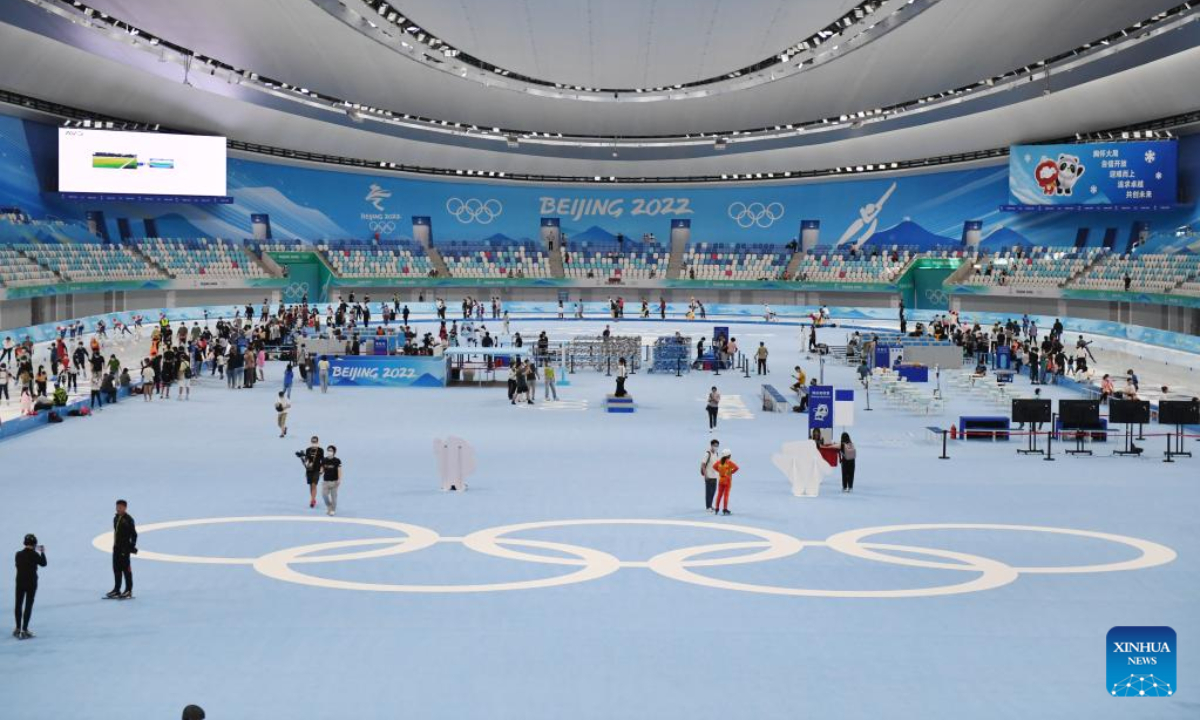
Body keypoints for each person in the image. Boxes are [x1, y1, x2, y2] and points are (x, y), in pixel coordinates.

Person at [14, 533, 46, 639]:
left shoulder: (18, 554)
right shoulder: (34, 554)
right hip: (31, 583)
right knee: (28, 605)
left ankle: (18, 628)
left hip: (19, 582)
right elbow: (43, 563)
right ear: (34, 543)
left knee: (18, 604)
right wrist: (42, 552)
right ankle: (24, 630)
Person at [105, 500, 137, 600]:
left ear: (125, 508)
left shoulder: (129, 520)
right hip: (116, 548)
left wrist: (131, 547)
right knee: (116, 569)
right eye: (117, 507)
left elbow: (134, 535)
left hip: (125, 549)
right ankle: (117, 589)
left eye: (120, 507)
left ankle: (128, 590)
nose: (118, 509)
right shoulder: (115, 518)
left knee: (126, 570)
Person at [713, 449, 738, 516]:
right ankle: (725, 509)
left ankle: (717, 508)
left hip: (721, 480)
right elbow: (737, 468)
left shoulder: (719, 462)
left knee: (719, 495)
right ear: (729, 456)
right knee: (726, 495)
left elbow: (714, 466)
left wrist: (720, 472)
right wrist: (730, 472)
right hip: (727, 480)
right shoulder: (729, 462)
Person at [302, 437, 325, 508]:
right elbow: (306, 461)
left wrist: (322, 468)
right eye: (313, 441)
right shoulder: (308, 450)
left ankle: (312, 500)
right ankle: (313, 498)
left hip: (317, 470)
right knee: (310, 486)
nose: (314, 443)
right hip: (309, 470)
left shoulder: (320, 450)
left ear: (317, 442)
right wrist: (302, 457)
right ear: (311, 441)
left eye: (315, 441)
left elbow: (323, 460)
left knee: (314, 484)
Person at [321, 445, 343, 516]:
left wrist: (339, 479)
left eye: (331, 450)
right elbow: (322, 469)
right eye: (328, 450)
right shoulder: (324, 460)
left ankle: (332, 510)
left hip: (334, 482)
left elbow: (339, 471)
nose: (329, 452)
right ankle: (329, 506)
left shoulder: (337, 461)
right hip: (326, 482)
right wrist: (320, 472)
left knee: (334, 497)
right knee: (324, 495)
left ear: (334, 452)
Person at [700, 438, 721, 513]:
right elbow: (703, 464)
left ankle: (711, 505)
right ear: (711, 445)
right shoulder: (707, 454)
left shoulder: (716, 454)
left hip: (715, 476)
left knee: (713, 491)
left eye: (717, 446)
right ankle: (708, 507)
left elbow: (717, 464)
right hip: (708, 476)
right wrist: (705, 475)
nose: (716, 447)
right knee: (708, 492)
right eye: (715, 445)